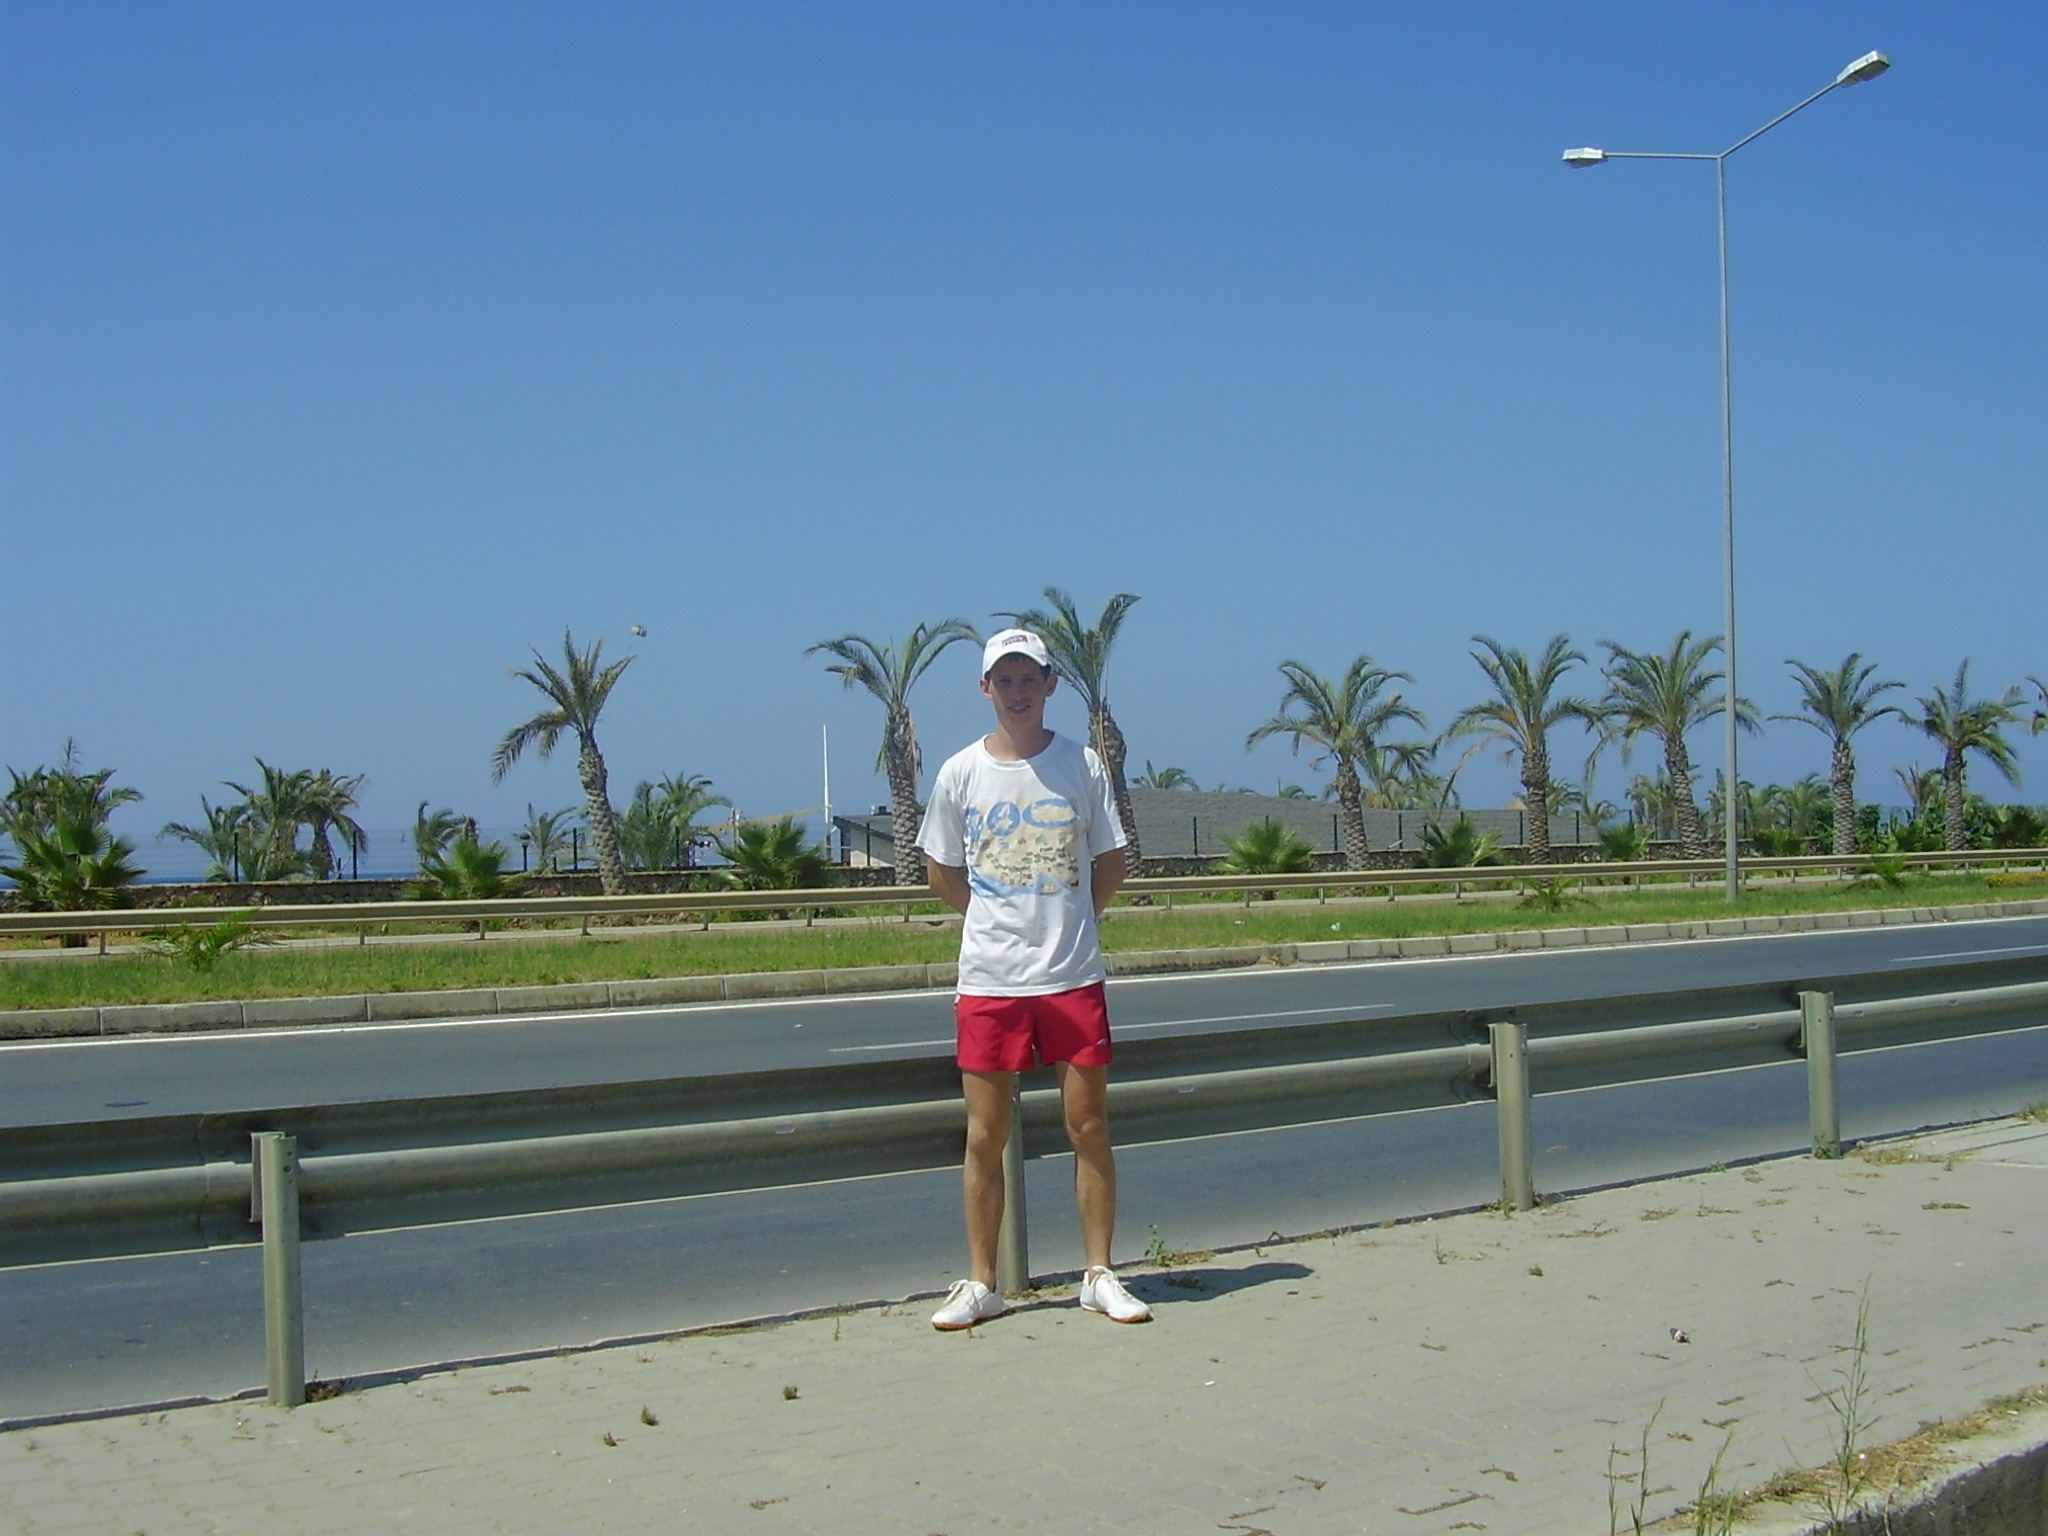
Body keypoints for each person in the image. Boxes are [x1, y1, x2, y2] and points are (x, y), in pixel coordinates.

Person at [916, 627, 1151, 1330]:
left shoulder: (1081, 764)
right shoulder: (960, 772)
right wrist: (996, 919)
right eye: (1004, 680)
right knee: (984, 1134)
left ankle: (1099, 1274)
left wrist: (1070, 920)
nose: (1017, 693)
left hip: (1071, 976)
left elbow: (1112, 862)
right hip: (990, 980)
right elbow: (941, 871)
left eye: (1030, 679)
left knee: (1088, 1124)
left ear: (1050, 685)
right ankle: (982, 1283)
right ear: (985, 688)